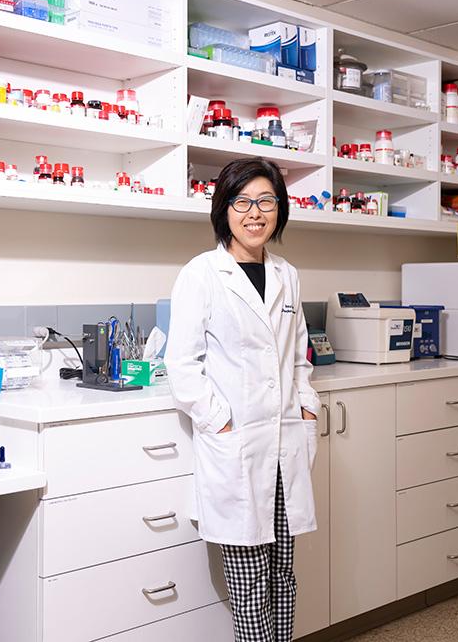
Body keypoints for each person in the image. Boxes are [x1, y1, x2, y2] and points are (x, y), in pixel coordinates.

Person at [165, 157, 320, 642]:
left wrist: (308, 406)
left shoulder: (288, 275)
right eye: (242, 202)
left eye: (266, 201)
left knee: (284, 577)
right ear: (225, 209)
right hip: (236, 449)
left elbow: (299, 358)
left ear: (280, 209)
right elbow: (181, 364)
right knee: (249, 584)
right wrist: (220, 422)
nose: (255, 213)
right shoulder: (202, 274)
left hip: (285, 445)